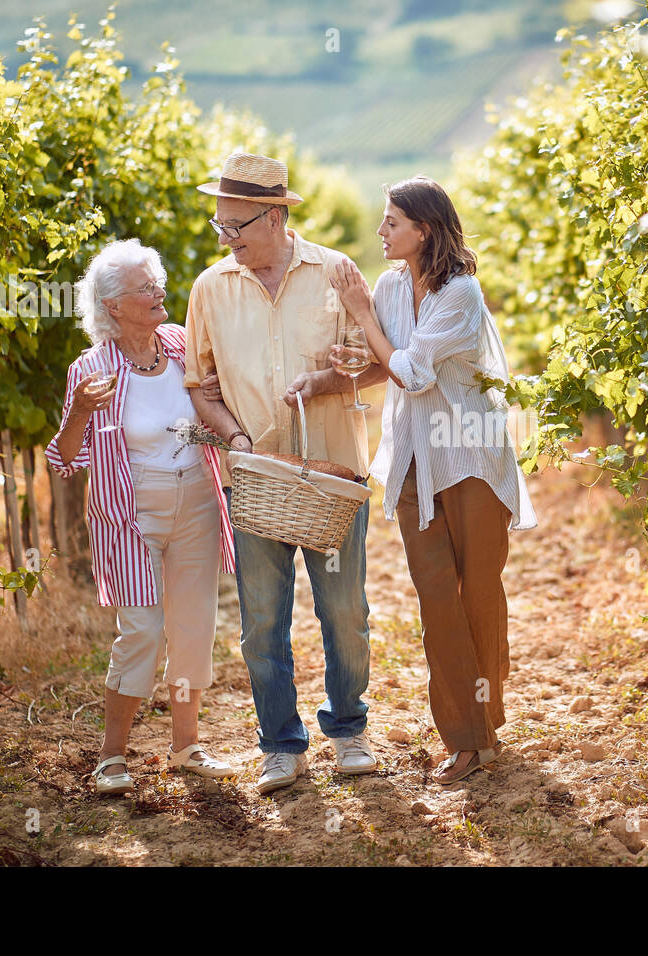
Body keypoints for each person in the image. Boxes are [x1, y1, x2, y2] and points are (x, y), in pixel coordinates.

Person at [185, 152, 389, 795]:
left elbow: (382, 364)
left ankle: (349, 729)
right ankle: (280, 743)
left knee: (345, 613)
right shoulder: (209, 288)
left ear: (275, 217)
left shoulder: (336, 273)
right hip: (254, 483)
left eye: (236, 225)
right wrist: (235, 437)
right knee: (261, 622)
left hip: (331, 479)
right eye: (220, 225)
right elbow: (201, 387)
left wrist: (332, 377)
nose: (226, 238)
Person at [329, 175, 536, 785]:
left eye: (392, 222)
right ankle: (467, 738)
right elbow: (390, 364)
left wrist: (362, 315)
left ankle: (484, 719)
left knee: (477, 591)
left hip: (469, 456)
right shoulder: (393, 287)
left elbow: (415, 370)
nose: (381, 232)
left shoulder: (461, 292)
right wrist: (352, 366)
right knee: (435, 596)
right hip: (416, 458)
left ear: (424, 230)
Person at [46, 238, 237, 795]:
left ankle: (186, 747)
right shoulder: (92, 369)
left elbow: (217, 399)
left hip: (198, 499)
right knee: (143, 632)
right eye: (143, 289)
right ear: (112, 306)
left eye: (157, 283)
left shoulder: (180, 344)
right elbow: (64, 459)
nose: (158, 293)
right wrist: (80, 410)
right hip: (130, 511)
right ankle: (112, 756)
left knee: (194, 625)